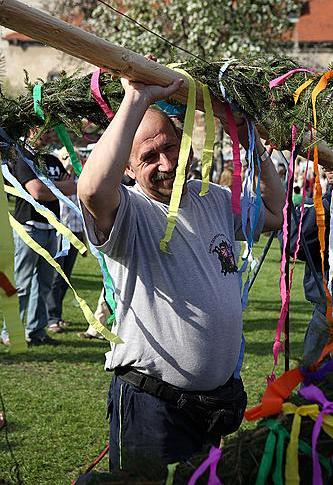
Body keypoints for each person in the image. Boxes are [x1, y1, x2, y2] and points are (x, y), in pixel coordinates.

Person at [77, 74, 284, 475]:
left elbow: (274, 212)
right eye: (149, 157)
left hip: (213, 406)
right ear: (128, 166)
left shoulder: (214, 199)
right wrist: (136, 99)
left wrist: (248, 141)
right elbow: (91, 190)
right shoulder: (129, 214)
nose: (166, 163)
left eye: (170, 147)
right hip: (153, 409)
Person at [1, 146, 76, 346]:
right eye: (46, 127)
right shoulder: (21, 157)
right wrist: (59, 187)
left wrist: (52, 187)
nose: (51, 133)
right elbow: (38, 191)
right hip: (29, 228)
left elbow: (70, 187)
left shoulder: (52, 160)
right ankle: (11, 331)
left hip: (52, 227)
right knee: (22, 284)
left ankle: (36, 331)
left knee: (44, 284)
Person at [290, 169, 333, 366]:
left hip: (328, 308)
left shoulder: (326, 206)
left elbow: (294, 241)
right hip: (326, 308)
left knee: (315, 383)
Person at [47, 148, 85, 333]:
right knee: (56, 277)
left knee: (66, 278)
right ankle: (51, 318)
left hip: (76, 232)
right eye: (69, 158)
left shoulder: (79, 178)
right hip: (61, 232)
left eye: (75, 158)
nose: (72, 161)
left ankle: (57, 315)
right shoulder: (60, 179)